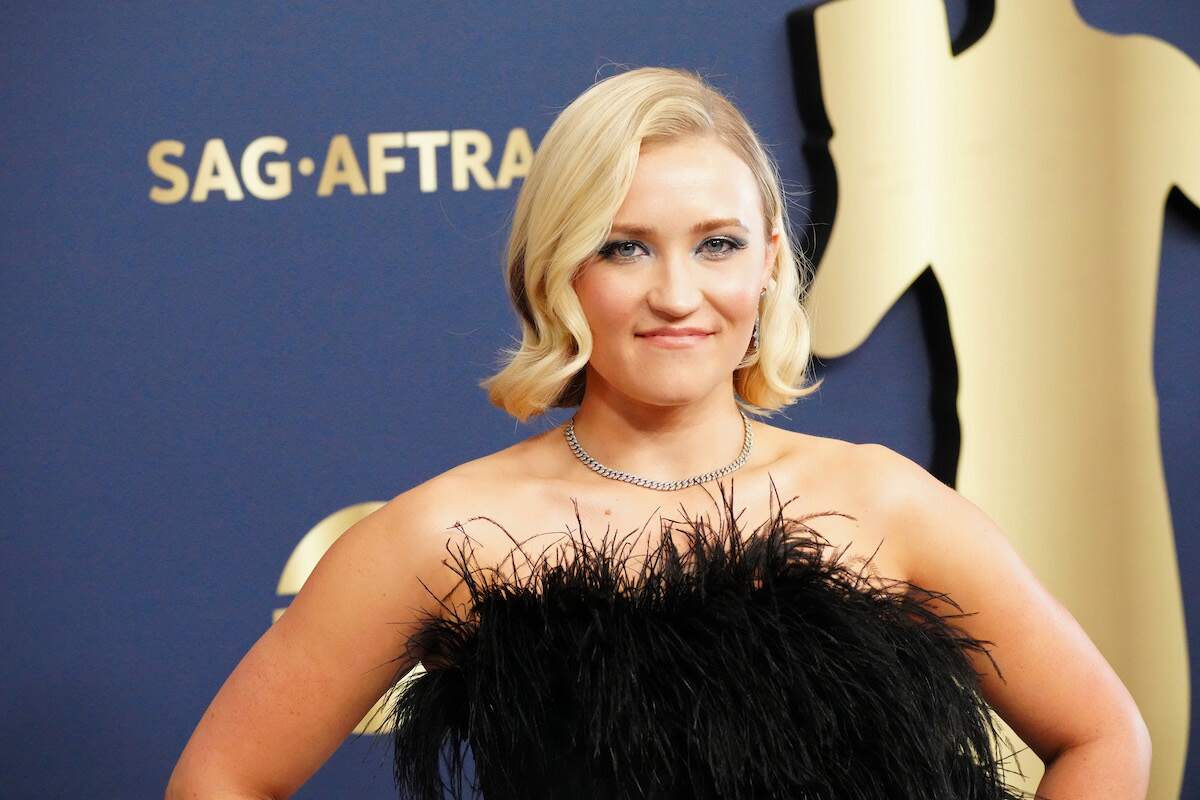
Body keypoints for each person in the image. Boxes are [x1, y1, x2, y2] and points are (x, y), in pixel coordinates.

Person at [165, 66, 1151, 800]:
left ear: (770, 261)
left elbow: (1104, 736)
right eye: (624, 247)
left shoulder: (886, 503)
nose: (677, 294)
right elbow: (221, 777)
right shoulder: (445, 536)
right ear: (557, 270)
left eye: (717, 244)